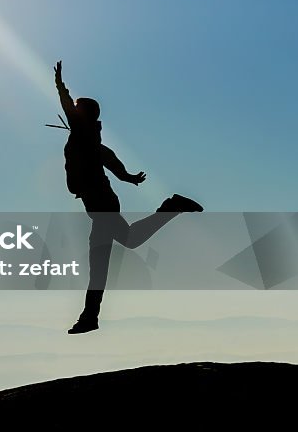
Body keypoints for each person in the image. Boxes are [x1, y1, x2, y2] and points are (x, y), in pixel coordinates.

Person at [54, 60, 203, 333]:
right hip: (101, 203)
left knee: (104, 262)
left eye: (76, 109)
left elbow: (101, 151)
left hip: (101, 205)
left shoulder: (81, 133)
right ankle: (90, 318)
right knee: (118, 250)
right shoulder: (87, 138)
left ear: (83, 115)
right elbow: (106, 156)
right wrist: (126, 176)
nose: (72, 111)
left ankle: (90, 318)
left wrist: (60, 85)